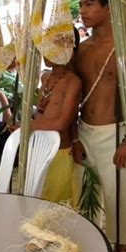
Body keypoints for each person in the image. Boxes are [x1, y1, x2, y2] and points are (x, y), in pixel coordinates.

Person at [73, 0, 126, 252]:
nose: (83, 11)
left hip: (116, 134)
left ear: (108, 7)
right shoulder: (81, 49)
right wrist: (73, 136)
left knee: (118, 198)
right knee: (89, 196)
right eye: (81, 5)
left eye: (89, 4)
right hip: (85, 131)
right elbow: (73, 94)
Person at [30, 29, 82, 204]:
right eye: (45, 46)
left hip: (59, 152)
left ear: (68, 49)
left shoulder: (73, 82)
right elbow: (40, 113)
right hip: (40, 149)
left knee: (57, 209)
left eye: (52, 46)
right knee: (37, 204)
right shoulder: (46, 78)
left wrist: (28, 127)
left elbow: (61, 123)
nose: (46, 51)